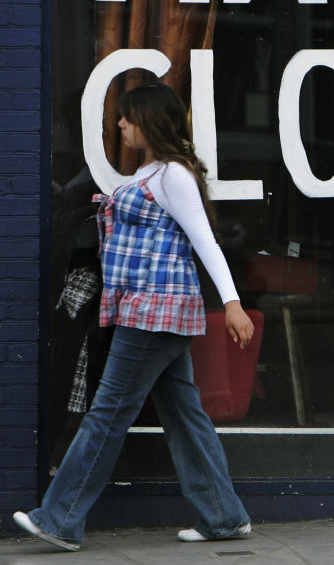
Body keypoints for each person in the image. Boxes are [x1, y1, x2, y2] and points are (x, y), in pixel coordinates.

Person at [14, 82, 255, 552]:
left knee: (107, 415)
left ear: (149, 121)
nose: (120, 124)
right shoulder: (151, 172)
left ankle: (60, 519)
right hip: (147, 309)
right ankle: (224, 516)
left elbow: (205, 240)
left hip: (154, 310)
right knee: (185, 415)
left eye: (127, 117)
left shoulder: (173, 176)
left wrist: (231, 303)